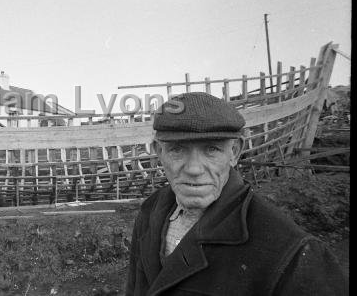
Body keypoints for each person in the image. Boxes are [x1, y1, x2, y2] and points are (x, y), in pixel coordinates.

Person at [126, 92, 347, 296]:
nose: (194, 168)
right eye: (177, 149)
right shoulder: (150, 211)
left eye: (211, 149)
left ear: (234, 152)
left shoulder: (289, 250)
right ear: (159, 152)